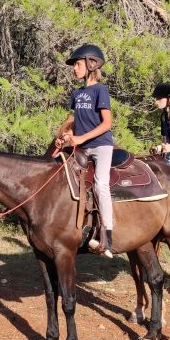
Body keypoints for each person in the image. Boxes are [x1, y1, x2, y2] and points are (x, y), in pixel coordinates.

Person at [56, 44, 115, 258]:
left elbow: (107, 123)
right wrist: (67, 134)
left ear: (91, 65)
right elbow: (73, 120)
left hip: (101, 146)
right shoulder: (77, 93)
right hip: (80, 147)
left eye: (78, 64)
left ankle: (107, 237)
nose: (74, 68)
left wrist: (81, 138)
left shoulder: (101, 90)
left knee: (101, 184)